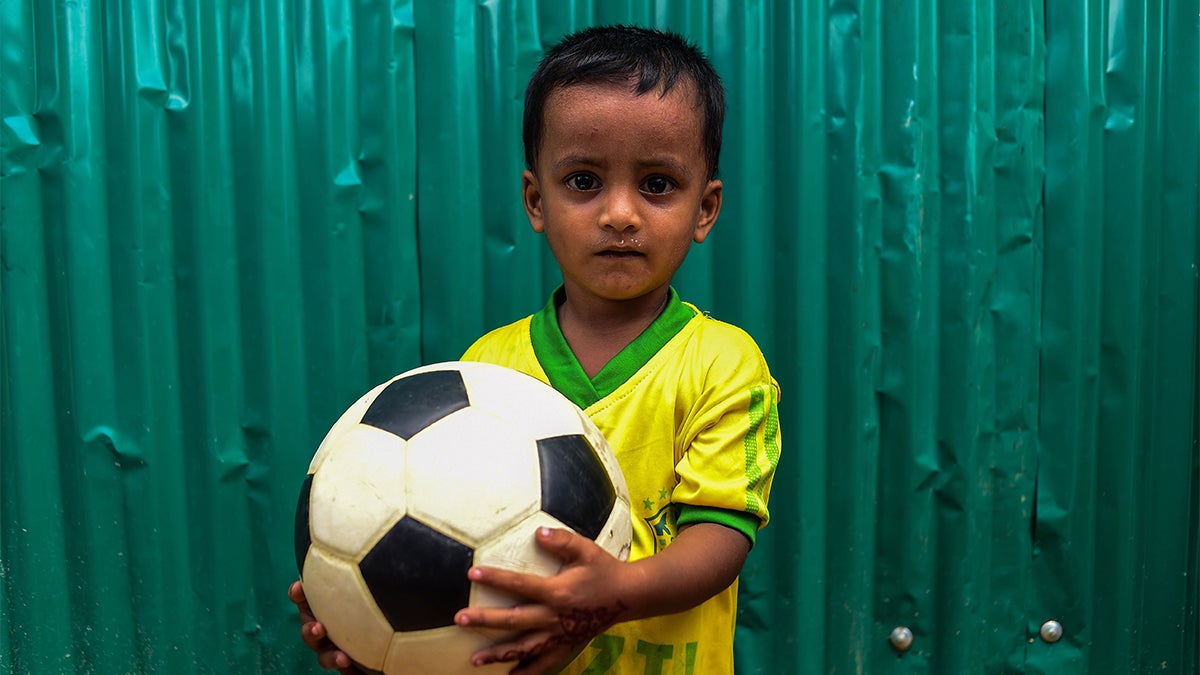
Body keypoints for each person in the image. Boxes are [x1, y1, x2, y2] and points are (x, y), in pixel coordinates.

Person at [290, 24, 781, 674]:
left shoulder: (725, 365)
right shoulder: (487, 371)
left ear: (705, 208)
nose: (620, 214)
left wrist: (616, 592)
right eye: (583, 181)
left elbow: (721, 539)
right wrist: (374, 628)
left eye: (657, 184)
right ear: (535, 200)